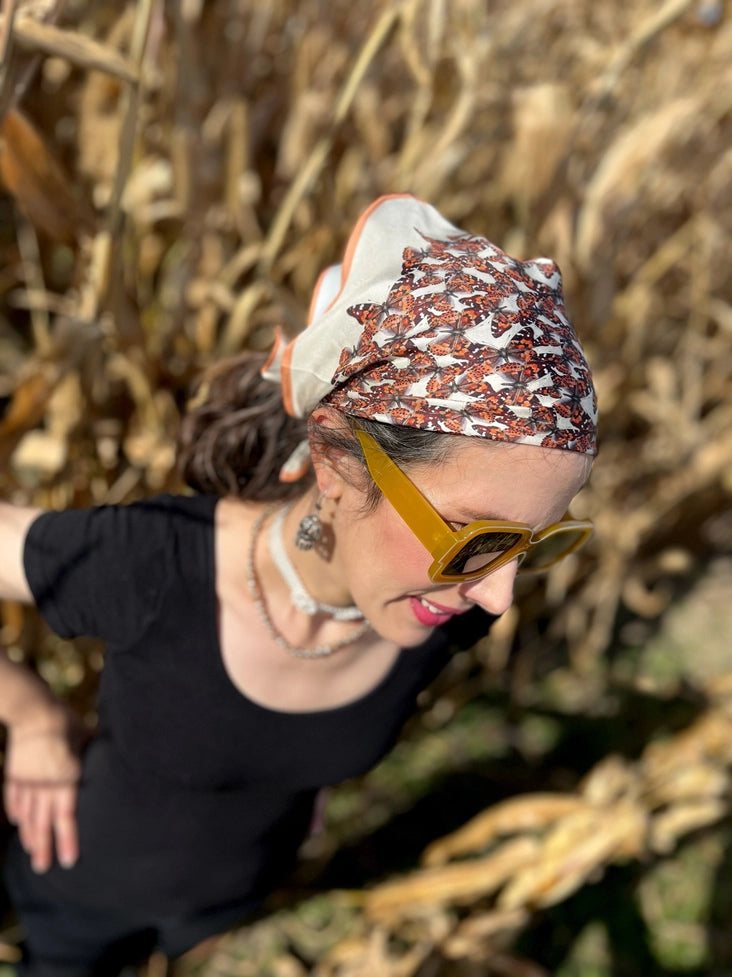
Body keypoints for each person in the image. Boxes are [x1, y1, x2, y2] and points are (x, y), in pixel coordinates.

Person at [0, 193, 597, 975]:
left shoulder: (442, 606)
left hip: (228, 907)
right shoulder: (157, 565)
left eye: (540, 543)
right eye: (478, 538)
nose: (499, 596)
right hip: (73, 904)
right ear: (338, 461)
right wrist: (31, 715)